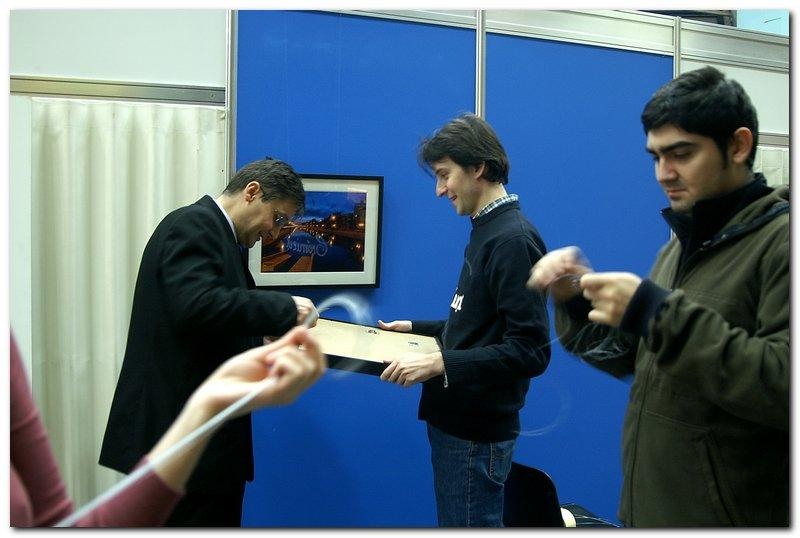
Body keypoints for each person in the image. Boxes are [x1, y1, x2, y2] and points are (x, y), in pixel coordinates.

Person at [528, 66, 789, 526]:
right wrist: (575, 300)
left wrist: (656, 312)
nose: (664, 174)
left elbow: (783, 385)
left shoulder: (782, 243)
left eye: (681, 154)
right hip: (653, 511)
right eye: (656, 156)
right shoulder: (681, 247)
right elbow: (636, 358)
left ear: (738, 146)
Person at [99, 158, 318, 526]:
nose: (276, 232)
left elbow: (210, 320)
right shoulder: (193, 225)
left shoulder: (220, 237)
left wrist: (260, 336)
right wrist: (284, 308)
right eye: (278, 218)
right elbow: (196, 304)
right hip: (180, 446)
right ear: (252, 192)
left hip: (203, 450)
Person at [379, 113, 551, 527]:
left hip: (476, 435)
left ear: (478, 167)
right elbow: (479, 326)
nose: (439, 190)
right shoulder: (486, 230)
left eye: (445, 175)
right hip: (457, 426)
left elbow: (531, 350)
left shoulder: (511, 239)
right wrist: (417, 330)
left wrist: (442, 362)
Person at [11, 327, 326, 527]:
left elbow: (55, 523)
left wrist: (207, 404)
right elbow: (199, 303)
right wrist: (282, 309)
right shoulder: (192, 236)